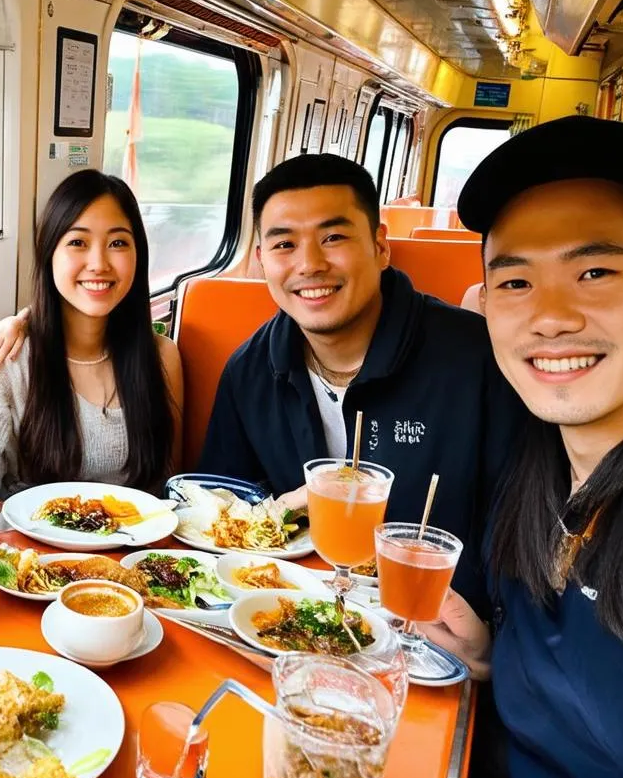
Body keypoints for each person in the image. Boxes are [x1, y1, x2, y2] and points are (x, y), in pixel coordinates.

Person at [422, 115, 623, 778]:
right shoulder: (542, 470)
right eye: (516, 281)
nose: (549, 315)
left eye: (596, 273)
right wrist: (486, 661)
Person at [199, 154, 522, 610]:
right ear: (260, 261)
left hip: (437, 628)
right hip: (289, 614)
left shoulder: (476, 361)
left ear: (380, 246)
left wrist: (492, 641)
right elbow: (222, 510)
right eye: (284, 245)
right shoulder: (250, 372)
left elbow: (522, 530)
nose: (309, 264)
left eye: (332, 237)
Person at [0, 169, 182, 510]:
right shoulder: (2, 356)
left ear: (138, 255)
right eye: (77, 242)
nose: (99, 263)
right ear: (48, 254)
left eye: (118, 243)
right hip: (27, 555)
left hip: (131, 552)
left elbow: (170, 491)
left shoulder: (161, 356)